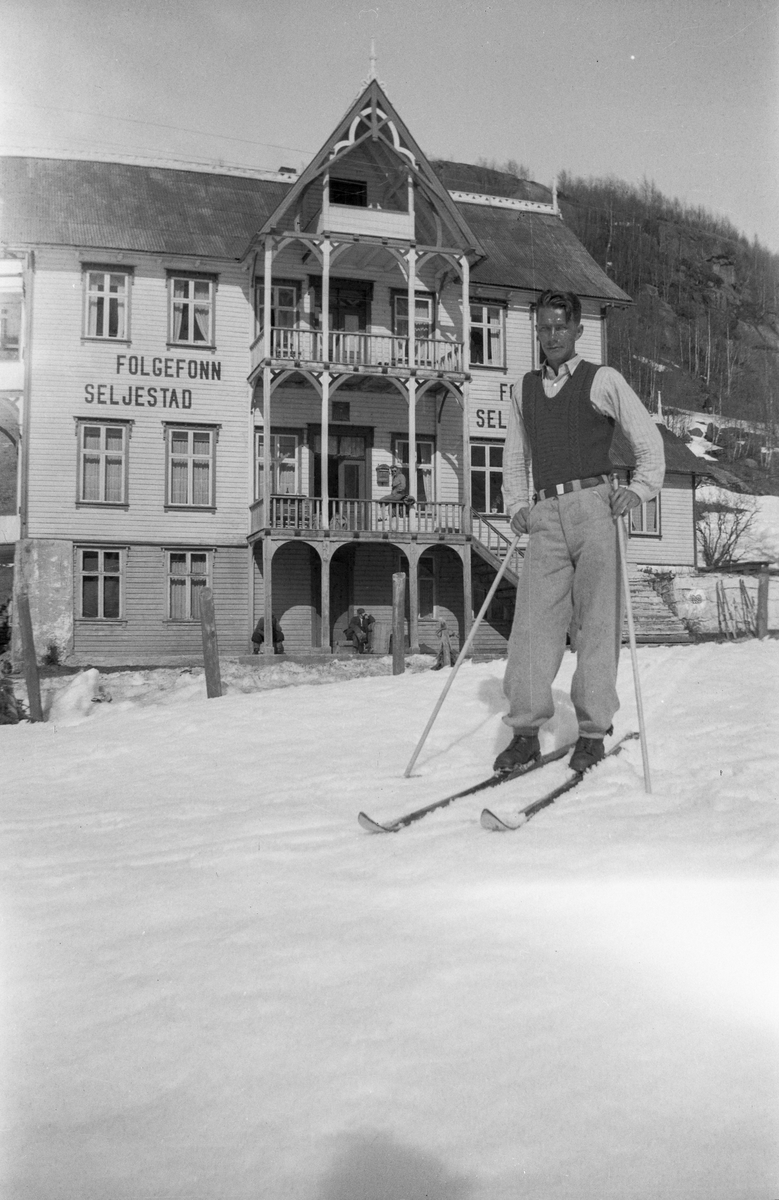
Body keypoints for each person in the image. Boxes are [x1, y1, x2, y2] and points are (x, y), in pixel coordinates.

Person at [495, 289, 665, 775]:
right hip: (546, 513)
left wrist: (639, 490)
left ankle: (592, 733)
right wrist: (515, 506)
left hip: (595, 506)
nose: (551, 336)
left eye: (560, 327)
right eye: (544, 328)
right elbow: (513, 457)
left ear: (577, 331)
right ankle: (524, 732)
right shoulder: (523, 388)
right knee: (533, 625)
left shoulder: (602, 379)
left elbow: (648, 442)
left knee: (596, 623)